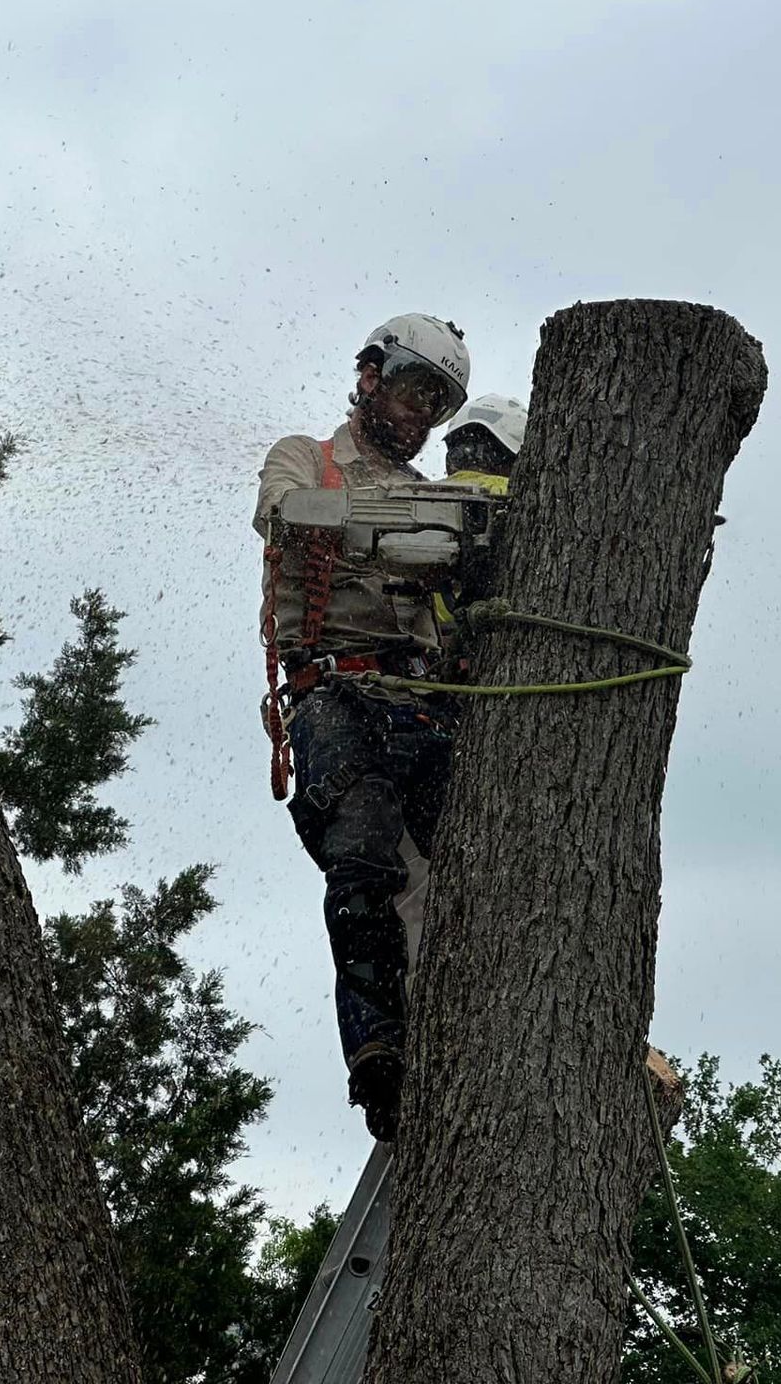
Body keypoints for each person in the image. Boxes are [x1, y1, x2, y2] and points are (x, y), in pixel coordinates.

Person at [254, 313, 470, 1141]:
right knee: (363, 856)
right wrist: (411, 536)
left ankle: (452, 1015)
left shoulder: (443, 500)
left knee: (464, 856)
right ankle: (377, 1049)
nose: (420, 415)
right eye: (413, 391)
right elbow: (290, 517)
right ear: (372, 376)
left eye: (436, 404)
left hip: (419, 697)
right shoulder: (305, 460)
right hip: (335, 692)